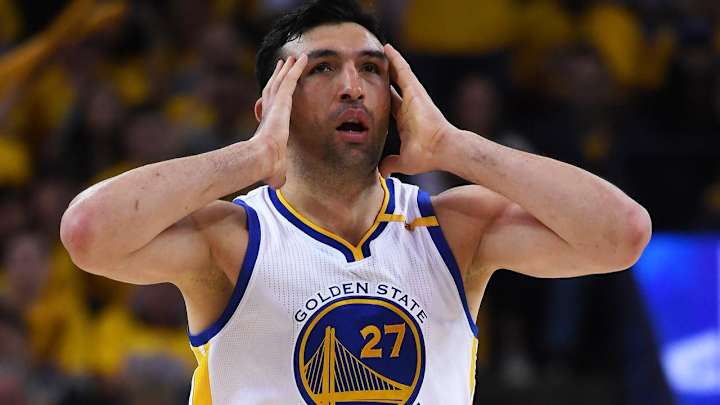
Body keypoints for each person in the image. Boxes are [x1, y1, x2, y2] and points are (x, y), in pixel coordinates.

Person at [59, 1, 652, 404]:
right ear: (273, 104)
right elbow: (88, 232)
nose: (352, 87)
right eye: (322, 68)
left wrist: (454, 146)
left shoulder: (453, 228)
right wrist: (249, 156)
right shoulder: (230, 238)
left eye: (371, 69)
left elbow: (621, 234)